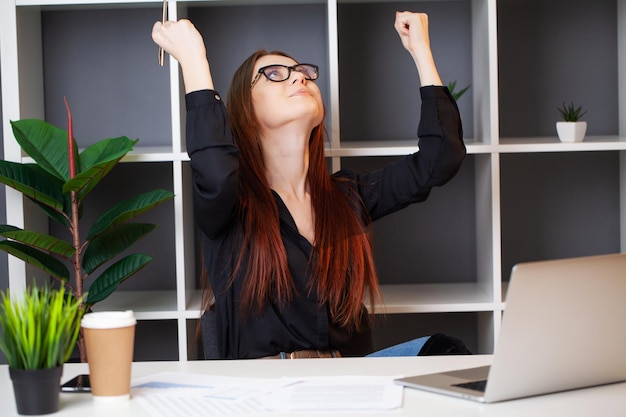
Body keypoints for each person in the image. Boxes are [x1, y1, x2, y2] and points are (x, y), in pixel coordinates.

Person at [151, 11, 466, 359]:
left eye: (304, 73)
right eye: (273, 74)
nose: (299, 79)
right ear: (245, 111)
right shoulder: (231, 205)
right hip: (265, 396)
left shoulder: (348, 197)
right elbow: (215, 172)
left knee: (446, 353)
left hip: (347, 384)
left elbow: (440, 159)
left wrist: (420, 49)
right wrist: (194, 60)